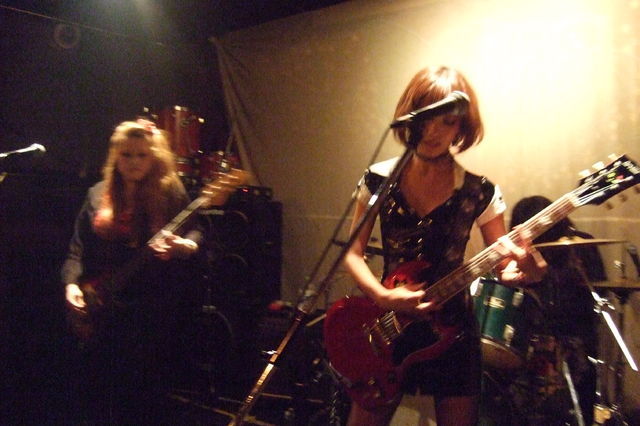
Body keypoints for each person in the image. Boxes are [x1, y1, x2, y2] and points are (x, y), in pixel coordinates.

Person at [342, 66, 548, 426]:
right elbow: (352, 252)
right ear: (410, 117)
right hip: (388, 325)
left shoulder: (479, 191)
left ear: (462, 127)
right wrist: (383, 296)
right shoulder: (377, 180)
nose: (434, 131)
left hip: (453, 333)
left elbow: (506, 268)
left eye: (448, 122)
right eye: (426, 117)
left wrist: (528, 269)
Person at [62, 119, 214, 423]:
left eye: (142, 155)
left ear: (154, 157)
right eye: (126, 154)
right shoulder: (96, 194)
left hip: (151, 310)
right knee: (98, 391)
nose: (133, 162)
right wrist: (71, 284)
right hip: (103, 307)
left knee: (143, 394)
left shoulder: (170, 193)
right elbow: (76, 250)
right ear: (115, 157)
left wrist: (185, 246)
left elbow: (197, 230)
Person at [508, 195, 606, 425]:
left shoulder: (579, 246)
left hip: (573, 340)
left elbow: (597, 290)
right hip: (528, 341)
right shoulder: (518, 256)